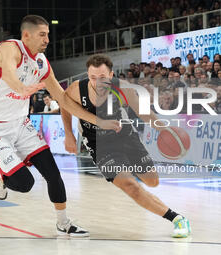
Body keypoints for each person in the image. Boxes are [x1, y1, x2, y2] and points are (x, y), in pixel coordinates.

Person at [0, 15, 119, 237]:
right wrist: (22, 88)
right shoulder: (8, 49)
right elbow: (8, 74)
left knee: (53, 173)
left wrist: (98, 120)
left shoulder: (41, 62)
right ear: (26, 35)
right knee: (24, 183)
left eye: (48, 35)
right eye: (42, 34)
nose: (47, 39)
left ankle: (64, 223)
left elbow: (63, 99)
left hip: (22, 125)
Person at [61, 54, 191, 238]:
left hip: (125, 136)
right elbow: (65, 105)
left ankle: (126, 166)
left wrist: (167, 131)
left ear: (111, 74)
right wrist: (68, 134)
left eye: (103, 78)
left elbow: (145, 114)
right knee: (130, 185)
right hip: (99, 144)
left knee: (152, 181)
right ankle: (177, 219)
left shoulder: (124, 88)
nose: (98, 82)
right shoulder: (77, 89)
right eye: (93, 77)